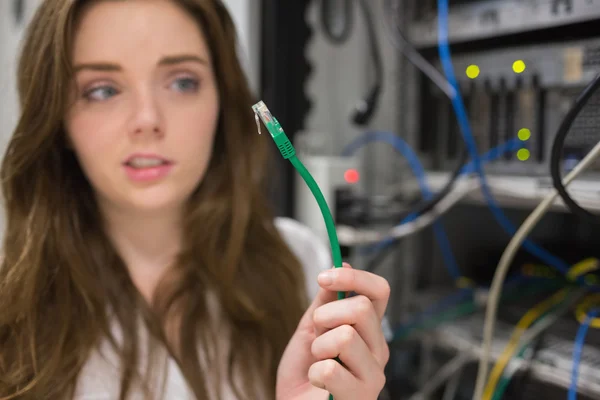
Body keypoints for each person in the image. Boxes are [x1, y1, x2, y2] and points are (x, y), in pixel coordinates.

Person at [0, 0, 391, 399]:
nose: (148, 119)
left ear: (222, 100)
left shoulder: (300, 262)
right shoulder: (11, 308)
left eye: (182, 82)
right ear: (57, 120)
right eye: (103, 90)